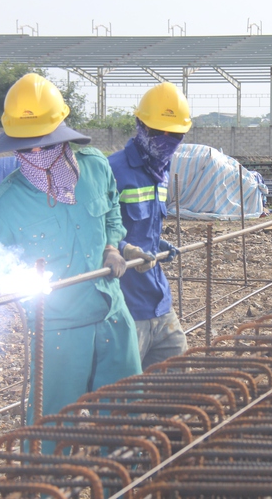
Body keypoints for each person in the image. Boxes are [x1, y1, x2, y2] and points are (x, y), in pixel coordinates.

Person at [0, 73, 142, 427]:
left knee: (124, 424)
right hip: (58, 333)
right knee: (51, 430)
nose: (36, 154)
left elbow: (112, 208)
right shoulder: (6, 204)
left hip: (113, 315)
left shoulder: (97, 168)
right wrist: (13, 285)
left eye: (43, 144)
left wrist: (112, 246)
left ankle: (121, 483)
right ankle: (44, 483)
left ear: (61, 134)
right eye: (26, 147)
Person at [108, 82, 190, 369]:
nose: (167, 139)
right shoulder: (113, 171)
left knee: (178, 379)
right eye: (158, 131)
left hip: (158, 299)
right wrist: (123, 249)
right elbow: (94, 230)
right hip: (127, 304)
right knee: (124, 392)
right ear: (140, 125)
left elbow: (146, 226)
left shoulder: (161, 171)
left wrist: (157, 245)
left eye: (175, 134)